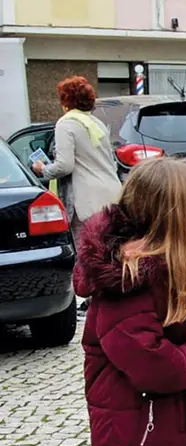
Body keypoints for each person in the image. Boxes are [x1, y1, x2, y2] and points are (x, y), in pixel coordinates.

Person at [73, 157, 186, 446]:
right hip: (138, 438)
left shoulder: (160, 265)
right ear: (176, 216)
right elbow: (154, 364)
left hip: (163, 431)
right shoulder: (126, 281)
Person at [31, 76, 122, 319]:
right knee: (111, 249)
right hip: (112, 194)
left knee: (89, 250)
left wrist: (42, 169)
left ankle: (92, 301)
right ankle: (111, 297)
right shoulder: (96, 124)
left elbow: (64, 165)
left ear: (66, 101)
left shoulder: (66, 124)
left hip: (86, 199)